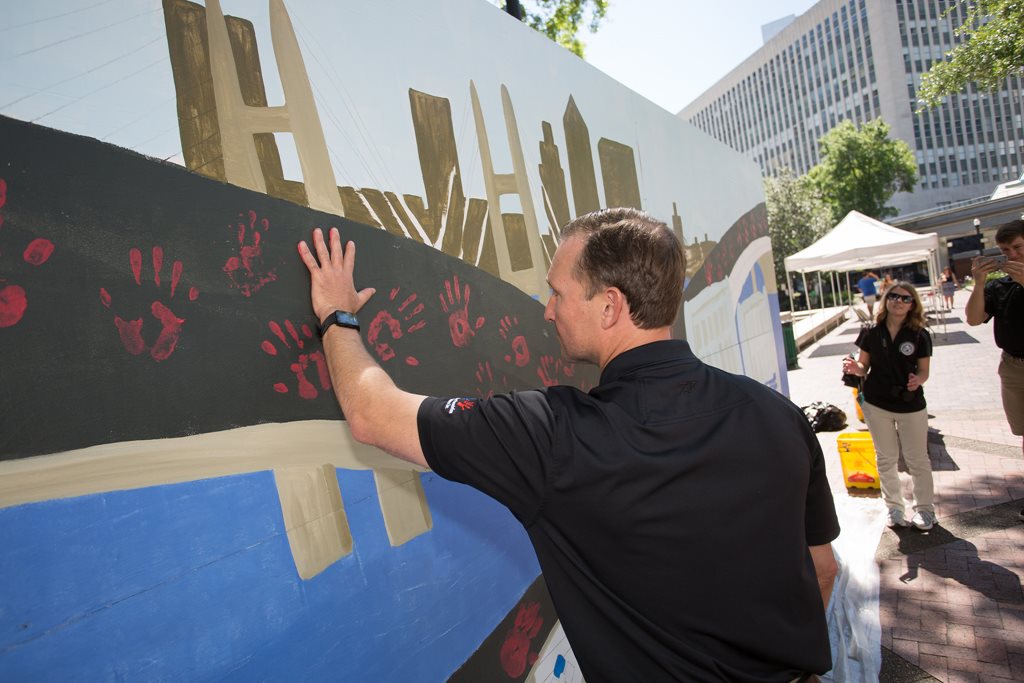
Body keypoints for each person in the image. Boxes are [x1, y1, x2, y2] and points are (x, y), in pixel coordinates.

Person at [298, 208, 840, 681]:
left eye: (557, 293)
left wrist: (336, 315)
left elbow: (373, 415)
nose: (547, 310)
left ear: (609, 307)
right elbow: (823, 569)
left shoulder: (551, 435)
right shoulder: (780, 417)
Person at [842, 282, 935, 530]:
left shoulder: (919, 334)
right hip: (876, 403)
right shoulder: (871, 331)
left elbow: (924, 371)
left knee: (917, 459)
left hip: (911, 404)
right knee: (886, 458)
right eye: (893, 296)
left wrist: (919, 380)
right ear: (886, 300)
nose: (898, 301)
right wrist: (854, 368)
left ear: (913, 304)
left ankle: (925, 510)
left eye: (905, 298)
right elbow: (864, 366)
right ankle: (894, 508)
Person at [965, 220, 1024, 518]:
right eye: (1005, 250)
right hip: (1013, 366)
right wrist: (978, 284)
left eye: (1018, 248)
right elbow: (974, 319)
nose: (1012, 255)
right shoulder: (999, 285)